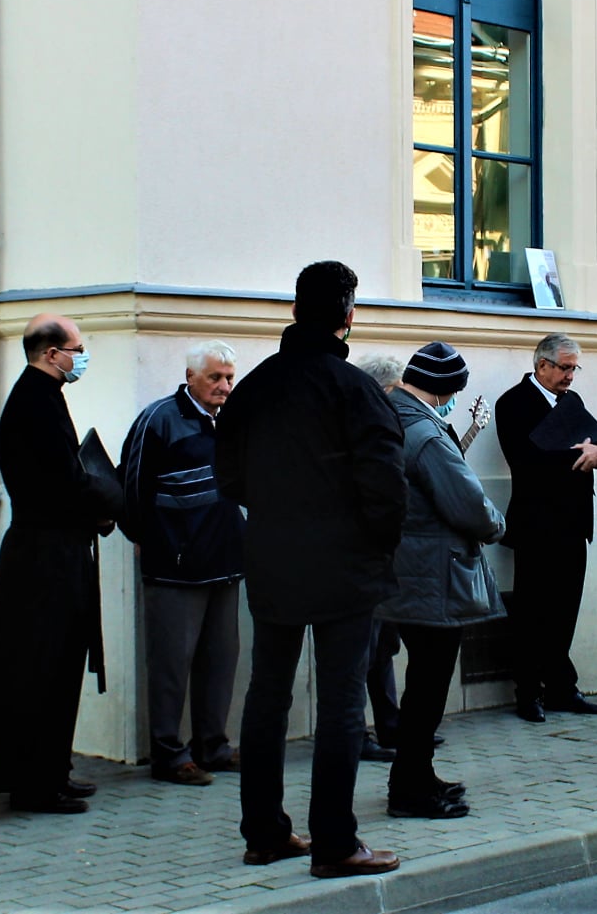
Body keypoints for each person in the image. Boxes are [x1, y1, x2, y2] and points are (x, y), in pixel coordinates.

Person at [215, 261, 406, 880]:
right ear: (349, 316)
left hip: (273, 557)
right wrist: (374, 549)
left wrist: (280, 512)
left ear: (295, 311)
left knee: (266, 695)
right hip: (345, 566)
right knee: (343, 701)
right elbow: (387, 489)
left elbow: (229, 479)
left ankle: (264, 833)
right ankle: (335, 843)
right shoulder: (355, 390)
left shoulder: (253, 387)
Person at [0, 314, 123, 814]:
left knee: (61, 665)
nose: (81, 358)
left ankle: (52, 771)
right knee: (41, 669)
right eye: (77, 349)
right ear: (51, 353)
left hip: (55, 549)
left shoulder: (42, 396)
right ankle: (36, 784)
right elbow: (63, 482)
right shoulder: (34, 403)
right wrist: (112, 501)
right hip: (43, 559)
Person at [375, 343, 506, 817]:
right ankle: (410, 790)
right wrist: (497, 525)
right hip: (432, 572)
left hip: (402, 567)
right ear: (447, 388)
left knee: (420, 684)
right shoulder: (425, 432)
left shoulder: (389, 415)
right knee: (428, 687)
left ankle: (418, 775)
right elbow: (466, 502)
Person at [119, 340, 246, 787]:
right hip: (174, 566)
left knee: (220, 660)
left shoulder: (231, 419)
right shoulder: (159, 419)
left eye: (229, 378)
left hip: (225, 562)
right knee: (171, 665)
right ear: (191, 376)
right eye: (215, 377)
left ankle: (213, 745)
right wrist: (147, 539)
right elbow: (131, 485)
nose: (224, 386)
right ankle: (169, 754)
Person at [496, 332, 597, 723]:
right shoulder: (513, 403)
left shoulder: (571, 402)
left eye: (575, 368)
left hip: (574, 522)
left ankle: (562, 688)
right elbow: (526, 460)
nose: (570, 376)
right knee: (532, 611)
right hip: (537, 523)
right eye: (565, 367)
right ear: (542, 365)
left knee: (565, 611)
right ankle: (528, 692)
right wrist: (577, 454)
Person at [353, 354, 408, 766]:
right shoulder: (359, 425)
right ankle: (356, 733)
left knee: (384, 645)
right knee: (360, 650)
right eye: (397, 391)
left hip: (384, 555)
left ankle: (391, 725)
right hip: (361, 558)